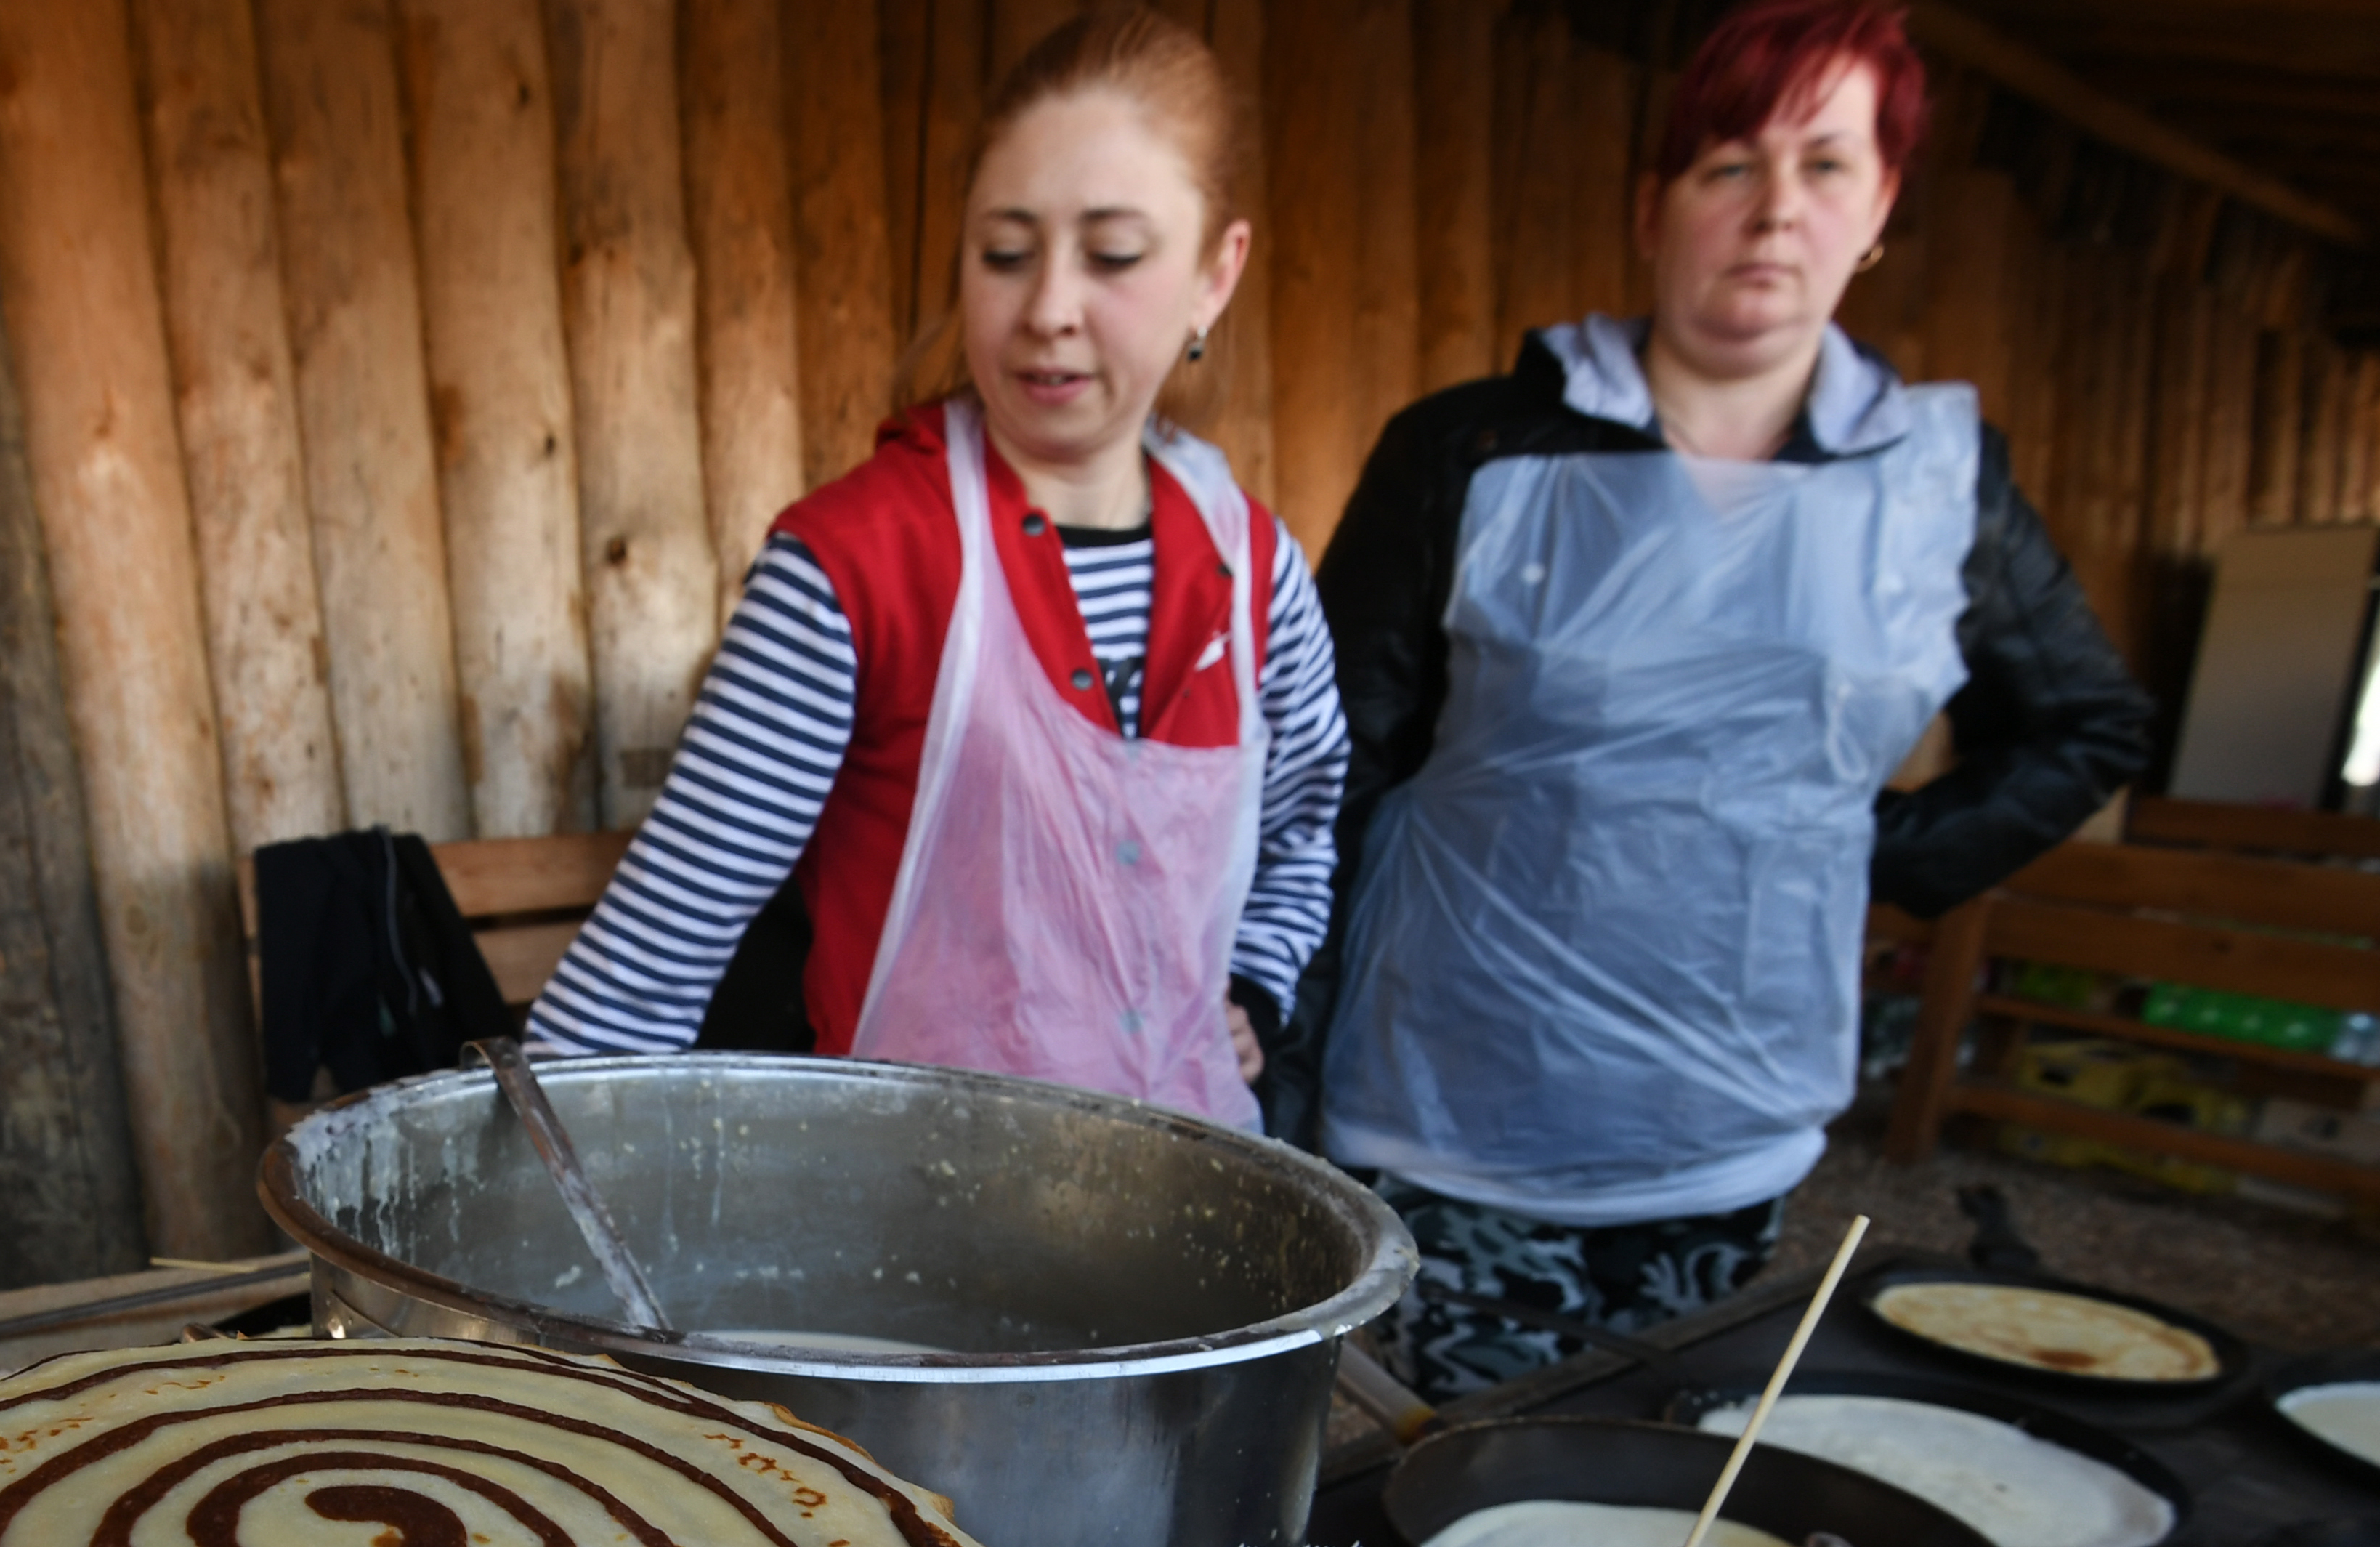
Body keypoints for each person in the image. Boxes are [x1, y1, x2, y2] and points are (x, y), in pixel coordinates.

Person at [1284, 0, 2153, 1391]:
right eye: (1726, 165)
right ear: (1654, 207)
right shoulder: (1473, 451)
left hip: (1729, 1128)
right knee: (1449, 1493)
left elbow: (2084, 721)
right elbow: (1330, 762)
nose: (1772, 210)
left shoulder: (1939, 488)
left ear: (1876, 212)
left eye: (1823, 165)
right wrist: (1272, 1041)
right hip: (1451, 1109)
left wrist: (1880, 858)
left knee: (1661, 1498)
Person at [524, 9, 1346, 1134]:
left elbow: (1305, 818)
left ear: (1216, 272)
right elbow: (654, 954)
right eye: (1005, 253)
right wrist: (517, 1194)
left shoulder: (1256, 573)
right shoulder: (854, 568)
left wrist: (1256, 981)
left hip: (1195, 1214)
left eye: (1112, 255)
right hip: (919, 1238)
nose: (1047, 309)